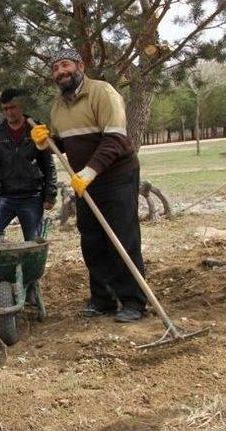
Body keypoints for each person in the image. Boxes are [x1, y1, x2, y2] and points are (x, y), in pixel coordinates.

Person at [31, 48, 147, 323]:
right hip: (85, 181)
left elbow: (115, 139)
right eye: (56, 68)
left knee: (121, 238)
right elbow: (63, 144)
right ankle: (103, 299)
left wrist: (89, 173)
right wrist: (44, 143)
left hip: (116, 176)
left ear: (80, 65)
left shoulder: (102, 92)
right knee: (92, 240)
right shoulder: (58, 105)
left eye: (66, 65)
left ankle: (133, 301)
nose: (61, 71)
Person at [0, 89, 57, 244]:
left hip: (32, 198)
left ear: (21, 106)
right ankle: (0, 268)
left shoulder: (36, 129)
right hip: (6, 198)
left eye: (13, 107)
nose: (9, 112)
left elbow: (48, 165)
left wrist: (50, 195)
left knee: (32, 244)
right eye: (5, 109)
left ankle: (31, 268)